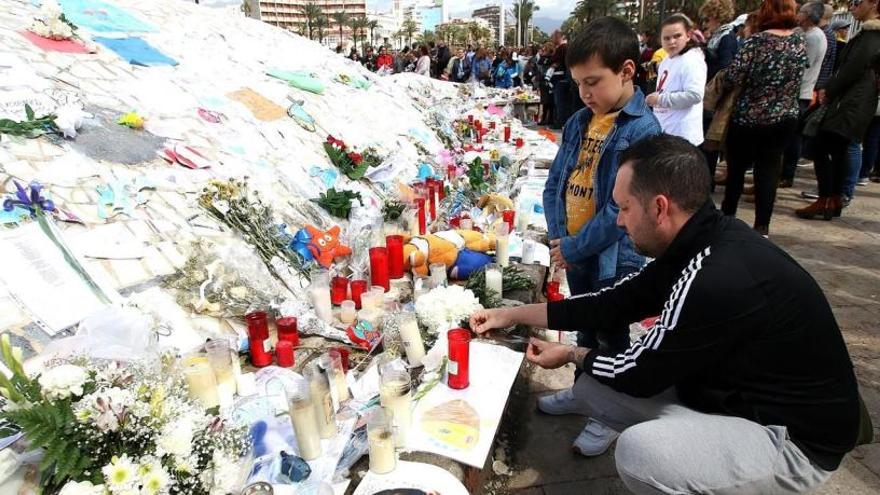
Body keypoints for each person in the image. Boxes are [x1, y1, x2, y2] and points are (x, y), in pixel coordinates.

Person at [472, 134, 864, 494]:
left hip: (796, 442)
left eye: (624, 208)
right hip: (738, 400)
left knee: (641, 454)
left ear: (660, 207)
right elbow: (613, 303)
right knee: (594, 388)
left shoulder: (716, 276)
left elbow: (641, 372)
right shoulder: (699, 237)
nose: (620, 221)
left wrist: (573, 354)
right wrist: (511, 314)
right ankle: (705, 459)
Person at [541, 16, 661, 457]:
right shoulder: (577, 121)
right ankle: (583, 394)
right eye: (578, 84)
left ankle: (610, 414)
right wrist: (559, 237)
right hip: (576, 250)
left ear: (627, 70)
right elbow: (556, 181)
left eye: (593, 82)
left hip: (614, 257)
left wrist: (571, 245)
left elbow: (617, 212)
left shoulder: (641, 131)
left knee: (611, 334)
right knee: (584, 327)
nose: (585, 93)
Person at [721, 0, 806, 237]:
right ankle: (762, 227)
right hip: (785, 117)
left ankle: (727, 219)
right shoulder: (799, 41)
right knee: (768, 172)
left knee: (736, 171)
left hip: (750, 117)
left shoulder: (755, 42)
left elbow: (733, 77)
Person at [796, 0, 880, 220]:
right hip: (852, 101)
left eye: (858, 2)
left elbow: (852, 68)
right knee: (835, 149)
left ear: (874, 4)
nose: (853, 6)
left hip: (852, 103)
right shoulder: (867, 33)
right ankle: (831, 199)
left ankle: (829, 198)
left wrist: (830, 90)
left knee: (824, 146)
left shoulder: (873, 35)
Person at [779, 1, 827, 188]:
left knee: (792, 137)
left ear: (808, 15)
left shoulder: (814, 37)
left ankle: (786, 174)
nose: (797, 15)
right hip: (796, 90)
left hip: (800, 92)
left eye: (801, 12)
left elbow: (804, 66)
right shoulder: (802, 33)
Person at [647, 14, 707, 146]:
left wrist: (660, 99)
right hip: (665, 132)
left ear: (688, 35)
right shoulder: (666, 60)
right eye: (666, 38)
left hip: (683, 137)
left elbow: (694, 95)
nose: (672, 41)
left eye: (677, 36)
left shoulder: (692, 60)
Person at [699, 0, 738, 81]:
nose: (704, 24)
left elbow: (724, 67)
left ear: (718, 18)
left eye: (707, 20)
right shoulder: (718, 35)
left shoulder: (727, 36)